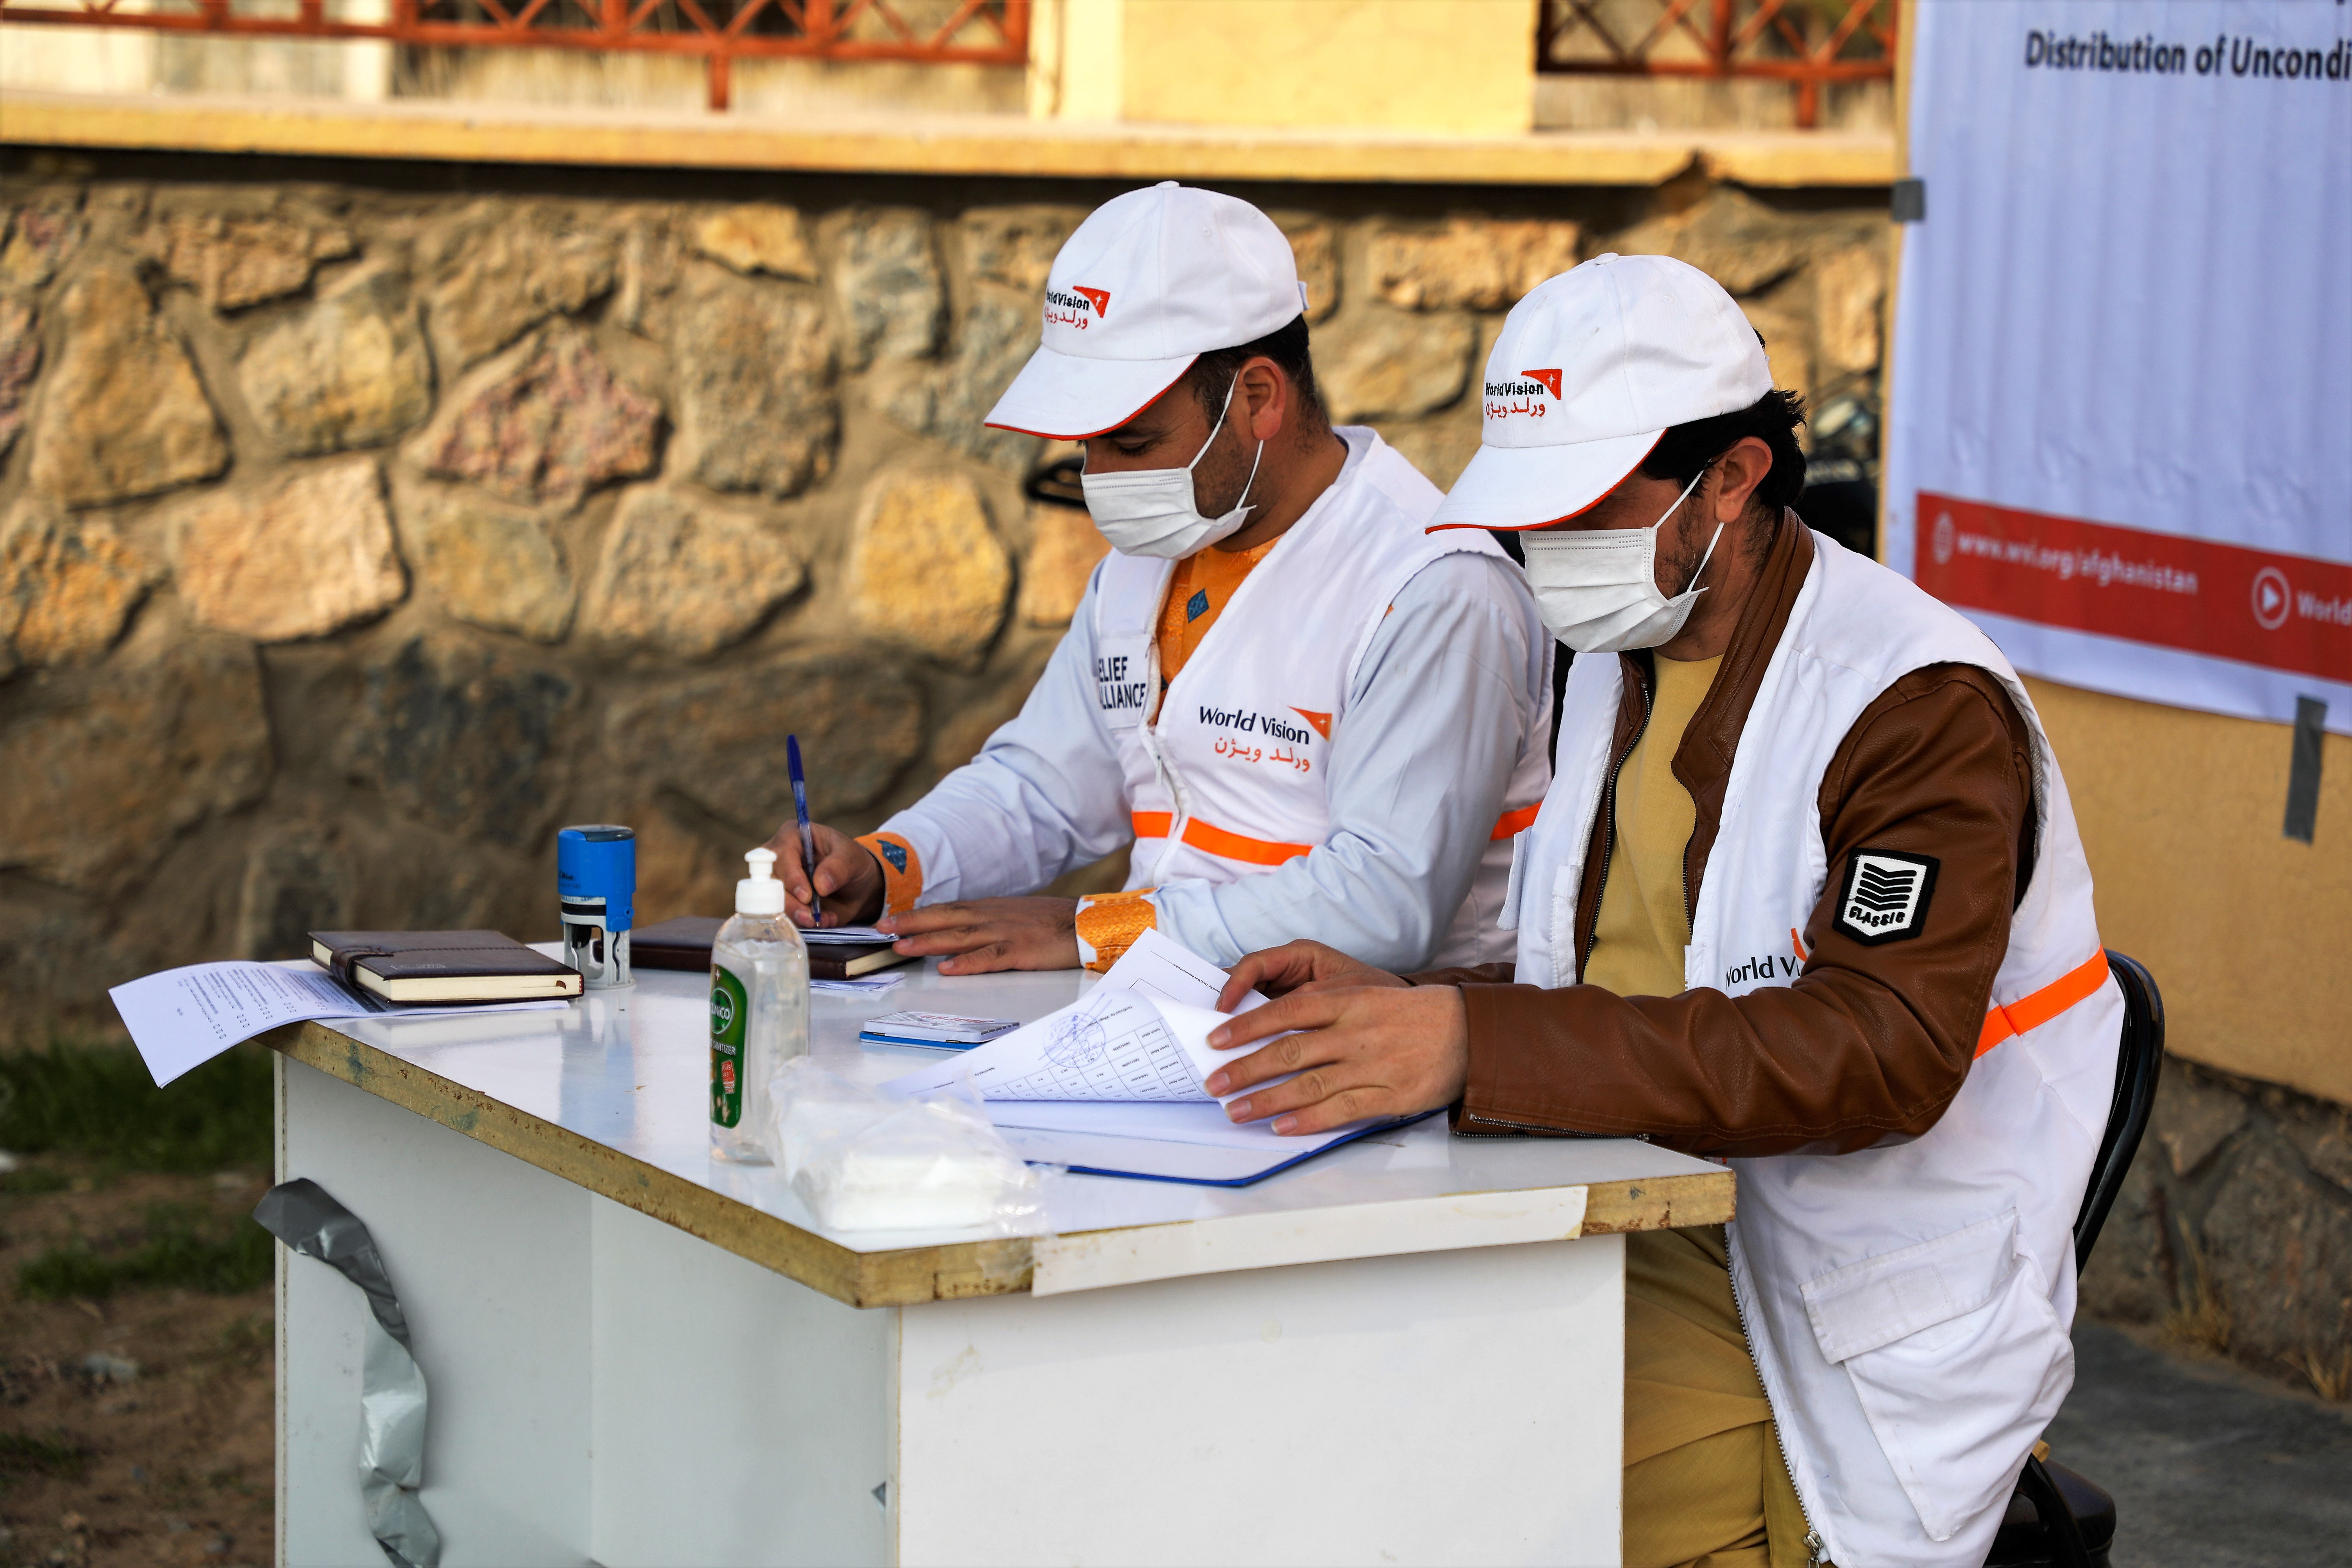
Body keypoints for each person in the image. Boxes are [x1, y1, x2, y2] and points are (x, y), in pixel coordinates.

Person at [1202, 254, 2118, 1568]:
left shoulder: (1918, 705)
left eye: (1581, 511)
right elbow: (1631, 989)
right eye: (1528, 518)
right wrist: (1415, 1014)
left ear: (1734, 477)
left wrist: (1474, 1045)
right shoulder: (1612, 661)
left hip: (1821, 1312)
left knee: (1435, 1496)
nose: (1541, 552)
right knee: (1295, 1397)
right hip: (1631, 1217)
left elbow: (1880, 1053)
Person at [772, 182, 1552, 975]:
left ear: (1258, 398)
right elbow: (1045, 785)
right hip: (1158, 1016)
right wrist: (887, 867)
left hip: (1359, 1050)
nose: (1100, 475)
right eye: (1087, 446)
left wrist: (1094, 930)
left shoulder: (1432, 587)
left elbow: (1382, 902)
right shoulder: (1152, 555)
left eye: (1134, 443)